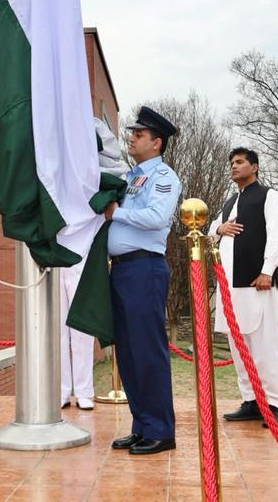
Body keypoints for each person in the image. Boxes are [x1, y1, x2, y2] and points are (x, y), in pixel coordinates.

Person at [105, 107, 181, 456]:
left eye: (139, 134)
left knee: (147, 350)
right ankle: (142, 425)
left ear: (156, 142)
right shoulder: (132, 176)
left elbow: (156, 217)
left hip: (144, 268)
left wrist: (116, 213)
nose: (132, 137)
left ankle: (161, 429)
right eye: (132, 133)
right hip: (121, 269)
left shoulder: (163, 176)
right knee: (129, 352)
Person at [210, 147, 278, 427]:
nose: (234, 166)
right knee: (239, 346)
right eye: (232, 162)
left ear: (254, 167)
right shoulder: (229, 202)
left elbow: (277, 235)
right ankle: (252, 400)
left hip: (258, 283)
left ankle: (276, 404)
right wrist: (219, 230)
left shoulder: (269, 196)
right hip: (230, 288)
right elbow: (209, 232)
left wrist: (268, 270)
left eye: (240, 162)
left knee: (266, 347)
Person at [60, 118, 126, 411]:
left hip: (85, 251)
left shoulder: (101, 175)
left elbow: (117, 180)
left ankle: (84, 389)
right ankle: (62, 389)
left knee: (81, 326)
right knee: (57, 327)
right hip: (56, 250)